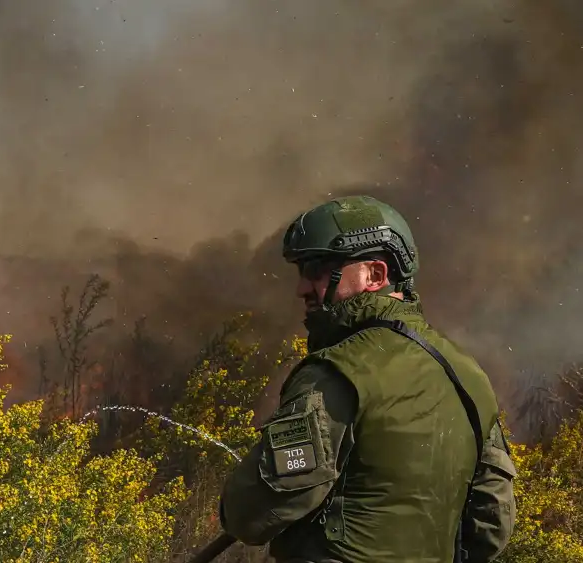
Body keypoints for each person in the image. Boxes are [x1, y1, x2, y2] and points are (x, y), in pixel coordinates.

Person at [218, 195, 517, 562]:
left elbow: (254, 513)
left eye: (320, 269)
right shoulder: (468, 376)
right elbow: (491, 525)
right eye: (302, 272)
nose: (302, 288)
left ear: (375, 274)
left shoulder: (335, 374)